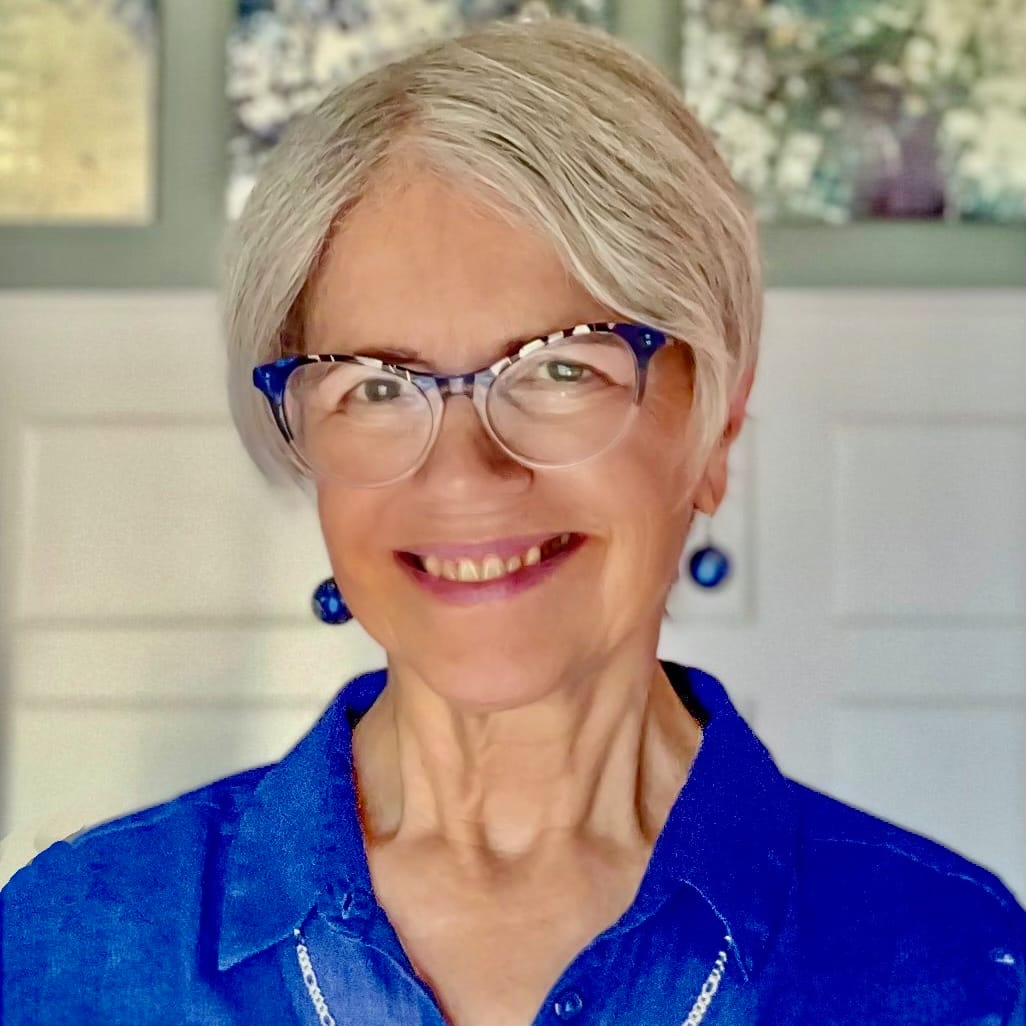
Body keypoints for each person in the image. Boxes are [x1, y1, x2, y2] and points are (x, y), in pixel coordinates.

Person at [2, 16, 1023, 1026]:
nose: (466, 469)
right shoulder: (68, 947)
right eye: (375, 385)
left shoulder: (955, 963)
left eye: (562, 368)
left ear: (714, 426)